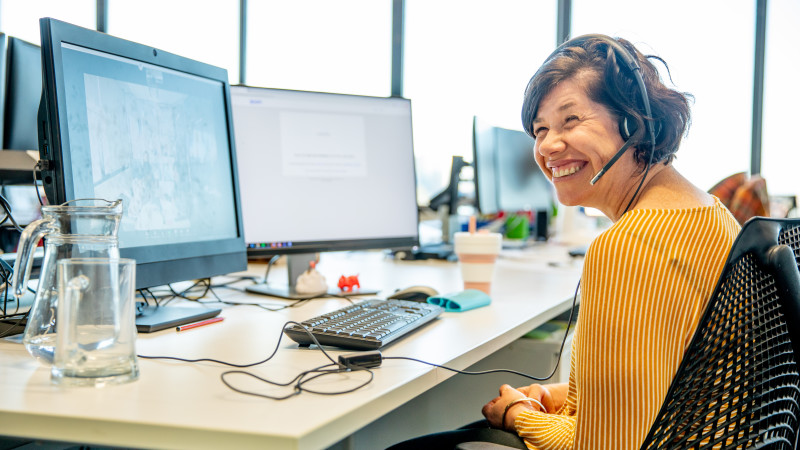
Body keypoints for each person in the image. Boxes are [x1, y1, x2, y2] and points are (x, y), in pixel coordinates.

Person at [388, 34, 741, 449]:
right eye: (540, 130)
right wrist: (562, 397)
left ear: (633, 121)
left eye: (571, 120)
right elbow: (667, 382)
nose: (548, 146)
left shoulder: (634, 243)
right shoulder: (709, 212)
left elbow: (608, 446)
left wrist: (519, 415)